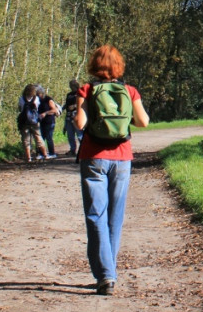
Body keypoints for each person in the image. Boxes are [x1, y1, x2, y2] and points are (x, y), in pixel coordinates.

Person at [75, 45, 150, 297]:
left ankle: (106, 275)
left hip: (94, 158)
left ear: (95, 66)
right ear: (119, 67)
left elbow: (80, 124)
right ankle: (109, 272)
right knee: (114, 217)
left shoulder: (87, 89)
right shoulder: (129, 91)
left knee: (96, 215)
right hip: (122, 158)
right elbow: (143, 122)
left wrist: (82, 108)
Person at [17, 84, 48, 163]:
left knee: (26, 140)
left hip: (24, 122)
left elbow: (20, 108)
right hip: (34, 121)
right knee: (38, 137)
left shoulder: (21, 99)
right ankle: (45, 155)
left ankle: (28, 158)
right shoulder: (36, 98)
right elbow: (37, 108)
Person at [38, 86, 60, 159]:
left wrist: (45, 113)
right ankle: (41, 153)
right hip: (42, 121)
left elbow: (54, 110)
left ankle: (52, 153)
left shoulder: (48, 99)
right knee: (41, 138)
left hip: (49, 121)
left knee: (48, 137)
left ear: (41, 93)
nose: (37, 95)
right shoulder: (37, 100)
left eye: (38, 93)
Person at [63, 79, 83, 157]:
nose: (70, 87)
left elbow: (83, 103)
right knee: (70, 135)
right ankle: (72, 149)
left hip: (77, 116)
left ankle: (82, 150)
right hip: (69, 116)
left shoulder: (80, 93)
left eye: (71, 85)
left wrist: (75, 106)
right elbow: (67, 104)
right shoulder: (69, 95)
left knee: (79, 135)